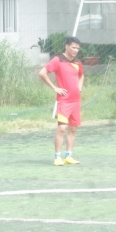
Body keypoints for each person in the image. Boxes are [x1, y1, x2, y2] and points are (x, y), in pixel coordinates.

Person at [39, 36, 85, 166]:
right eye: (73, 47)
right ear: (67, 46)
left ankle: (68, 156)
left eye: (77, 48)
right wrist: (55, 88)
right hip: (64, 101)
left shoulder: (78, 62)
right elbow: (42, 73)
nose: (76, 50)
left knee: (73, 129)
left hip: (76, 101)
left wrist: (80, 86)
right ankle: (57, 157)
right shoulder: (57, 60)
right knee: (62, 128)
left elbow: (81, 75)